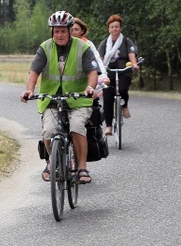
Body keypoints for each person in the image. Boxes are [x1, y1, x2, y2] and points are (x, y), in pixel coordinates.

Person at [20, 11, 98, 184]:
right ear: (52, 32)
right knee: (48, 130)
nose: (60, 35)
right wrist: (29, 90)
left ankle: (82, 167)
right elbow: (34, 72)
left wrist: (90, 87)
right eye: (56, 31)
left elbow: (93, 72)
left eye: (63, 31)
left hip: (78, 99)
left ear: (70, 31)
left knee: (77, 126)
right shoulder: (45, 48)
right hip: (52, 100)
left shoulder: (82, 47)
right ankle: (52, 161)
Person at [97, 14, 140, 136]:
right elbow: (99, 57)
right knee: (108, 97)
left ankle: (124, 105)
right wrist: (98, 69)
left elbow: (132, 53)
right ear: (109, 29)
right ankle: (109, 126)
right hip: (108, 72)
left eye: (117, 26)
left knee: (122, 89)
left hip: (123, 71)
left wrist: (134, 64)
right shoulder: (104, 43)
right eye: (112, 27)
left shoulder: (126, 41)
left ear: (120, 28)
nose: (114, 29)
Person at [72, 17, 109, 99]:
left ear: (82, 31)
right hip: (71, 81)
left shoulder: (88, 44)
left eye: (76, 29)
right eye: (71, 29)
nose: (73, 32)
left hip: (87, 78)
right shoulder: (63, 44)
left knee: (91, 99)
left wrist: (103, 75)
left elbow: (97, 59)